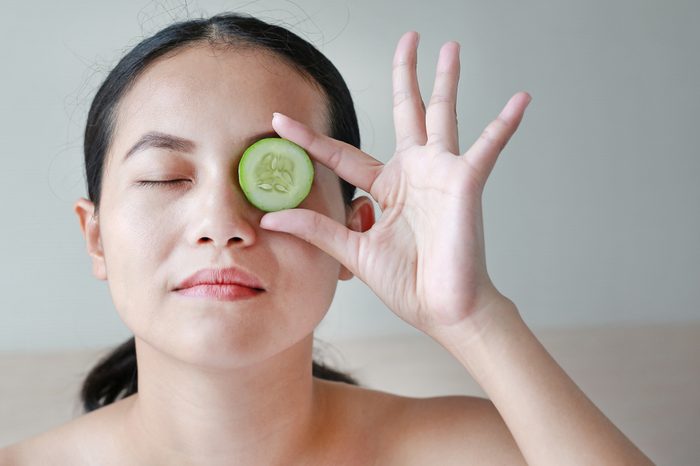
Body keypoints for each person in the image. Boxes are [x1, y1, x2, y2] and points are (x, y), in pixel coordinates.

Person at [0, 12, 653, 465]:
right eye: (168, 177)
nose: (222, 222)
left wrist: (474, 317)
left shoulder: (469, 451)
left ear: (354, 226)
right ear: (96, 238)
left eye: (272, 178)